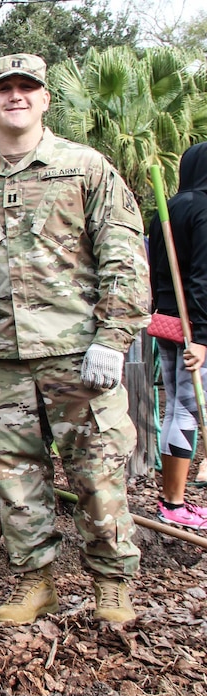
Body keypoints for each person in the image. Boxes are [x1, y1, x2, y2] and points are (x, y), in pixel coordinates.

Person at [0, 54, 149, 625]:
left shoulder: (84, 168)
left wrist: (112, 337)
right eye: (3, 88)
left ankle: (112, 585)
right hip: (2, 357)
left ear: (44, 99)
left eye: (27, 87)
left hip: (77, 352)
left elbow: (123, 256)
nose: (16, 96)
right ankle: (34, 583)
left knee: (97, 472)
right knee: (16, 481)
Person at [148, 142, 207, 530]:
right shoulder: (203, 209)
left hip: (167, 319)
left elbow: (156, 269)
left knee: (177, 408)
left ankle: (173, 498)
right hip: (192, 326)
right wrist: (201, 336)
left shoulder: (167, 208)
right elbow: (204, 276)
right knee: (187, 409)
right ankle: (173, 502)